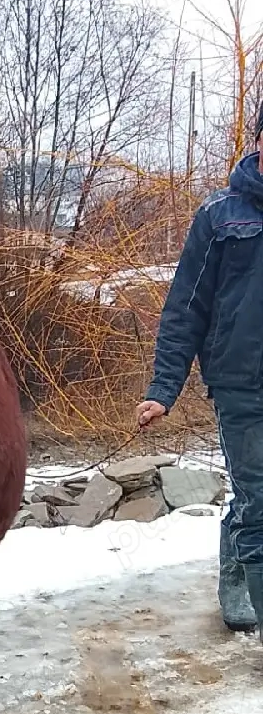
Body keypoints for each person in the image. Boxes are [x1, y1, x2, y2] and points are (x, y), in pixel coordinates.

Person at [137, 103, 263, 643]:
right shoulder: (219, 216)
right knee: (260, 502)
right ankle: (244, 596)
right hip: (242, 384)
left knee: (254, 500)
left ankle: (238, 579)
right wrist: (163, 389)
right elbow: (186, 307)